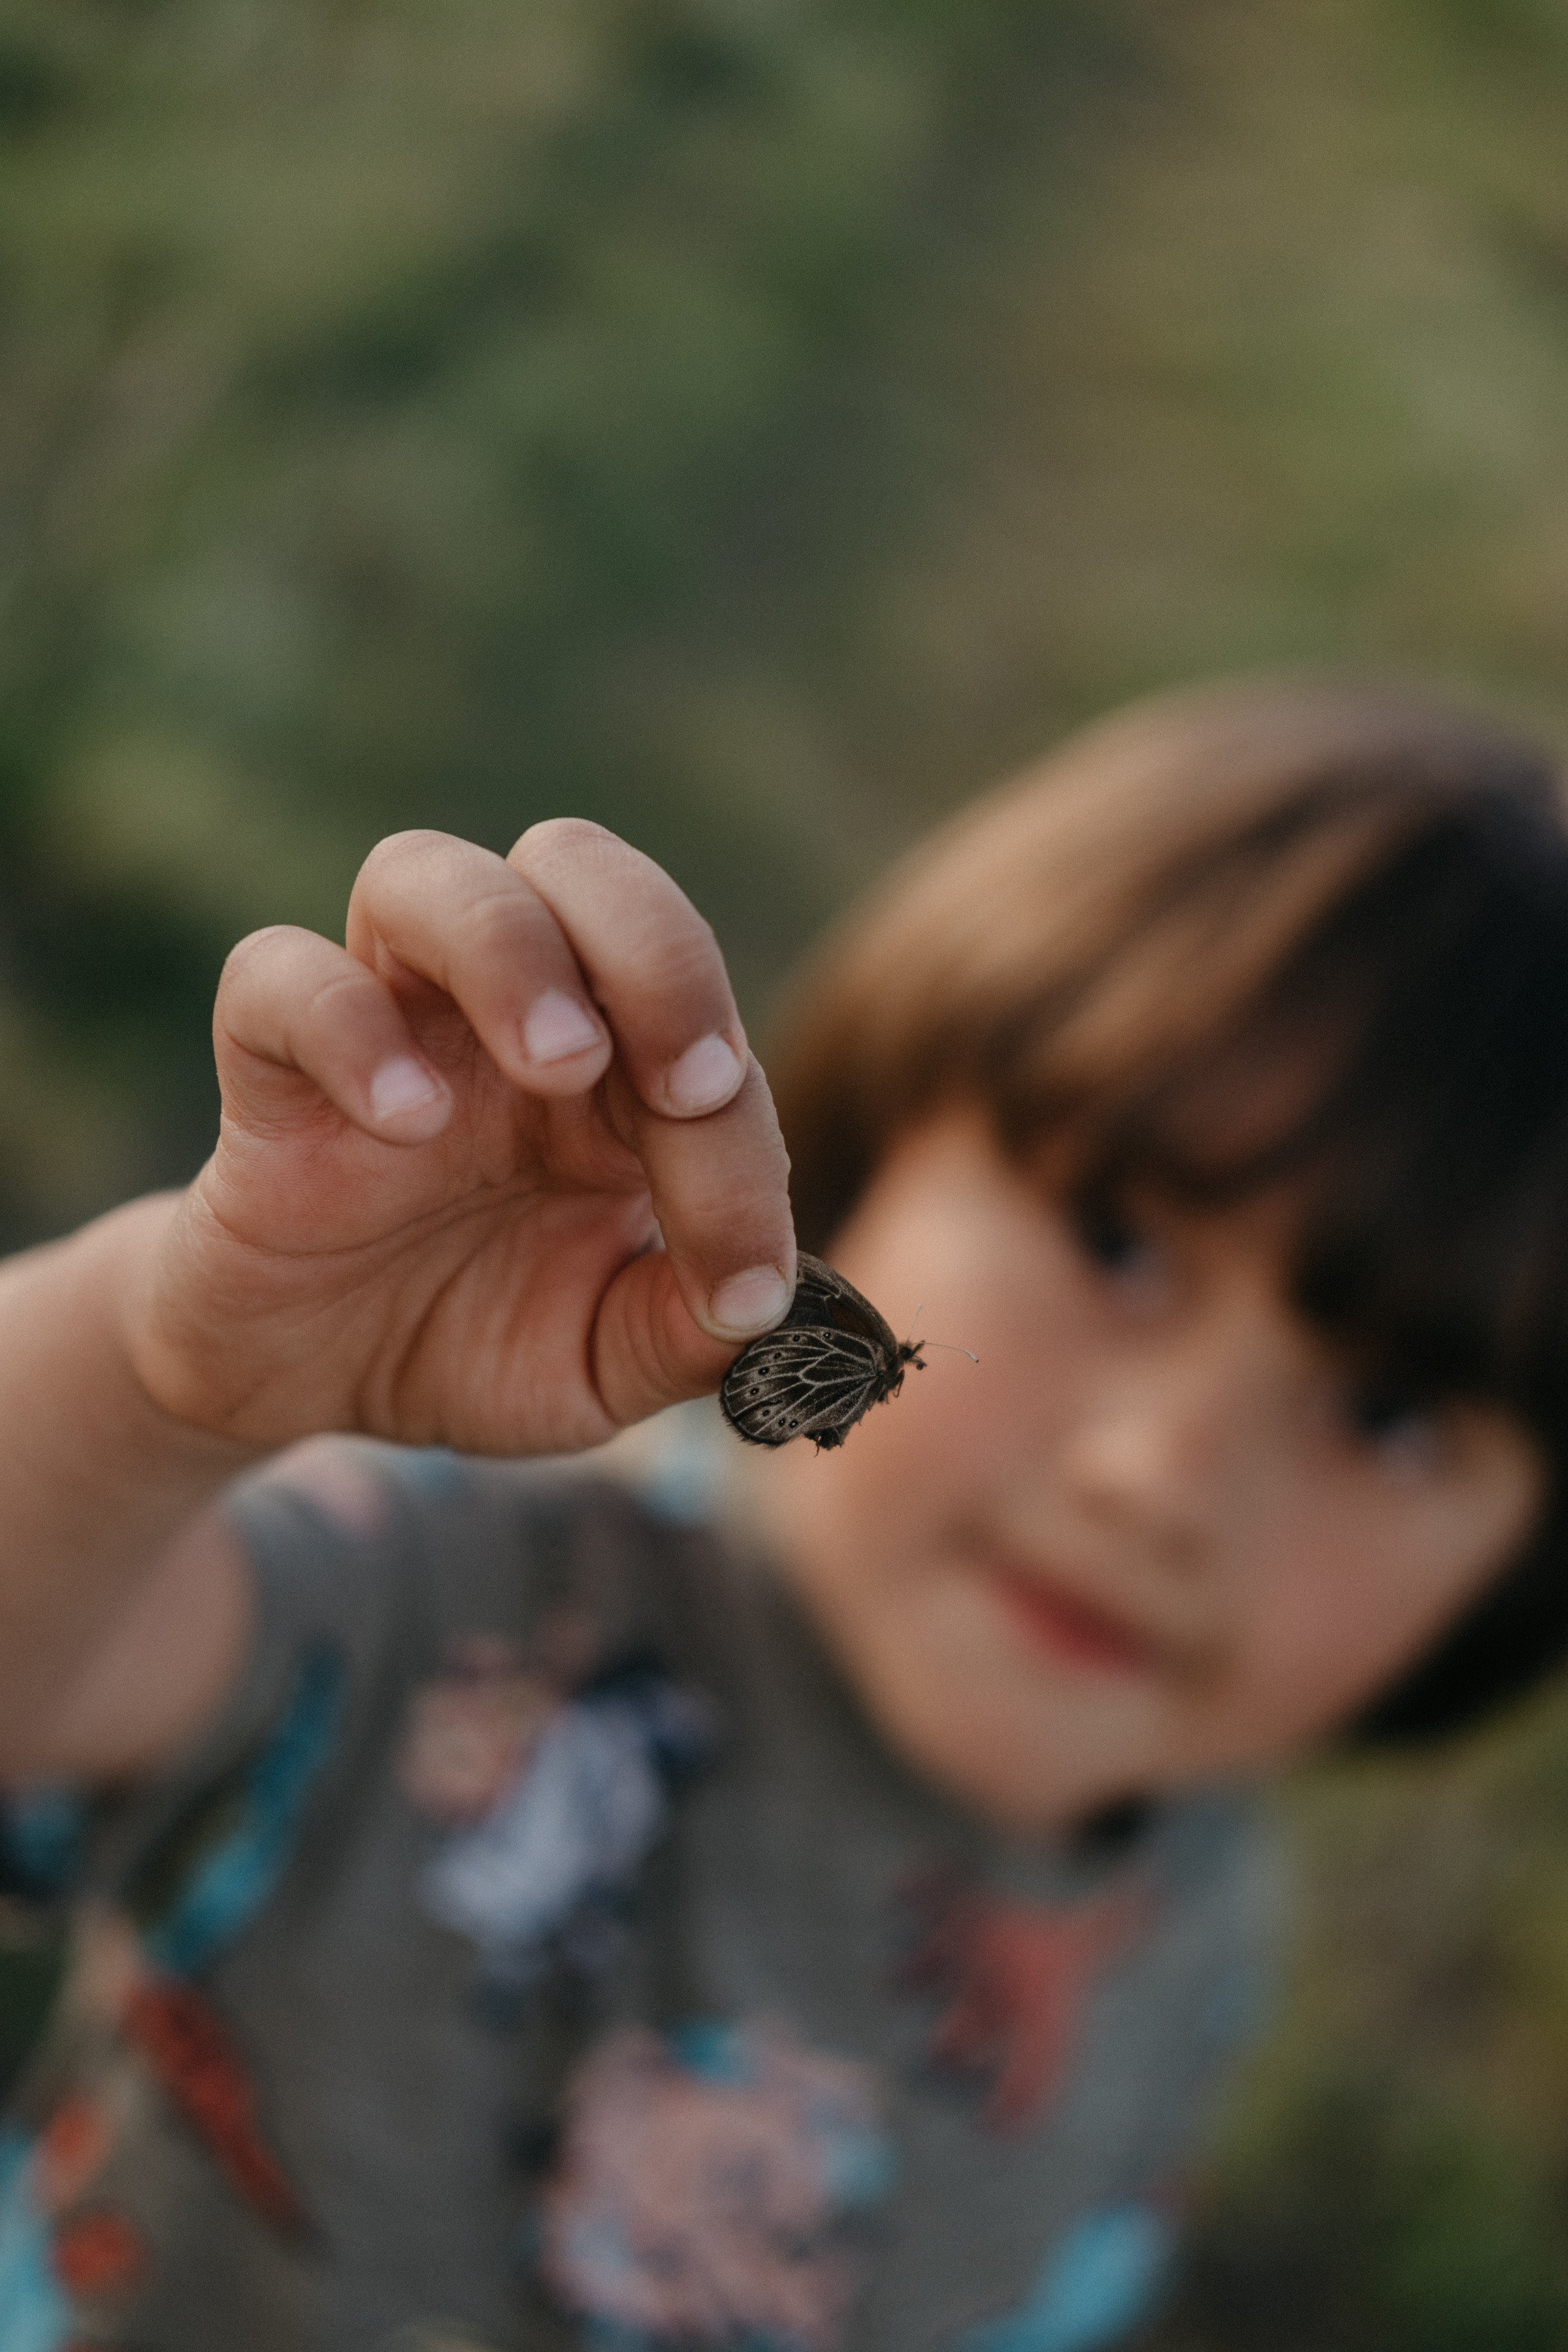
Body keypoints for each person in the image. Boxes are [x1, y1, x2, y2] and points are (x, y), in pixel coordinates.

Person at [0, 676, 1565, 2352]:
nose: (1158, 1479)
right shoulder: (454, 1591)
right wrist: (165, 1375)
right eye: (1119, 1244)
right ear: (864, 1167)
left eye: (1392, 1417)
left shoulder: (1200, 1917)